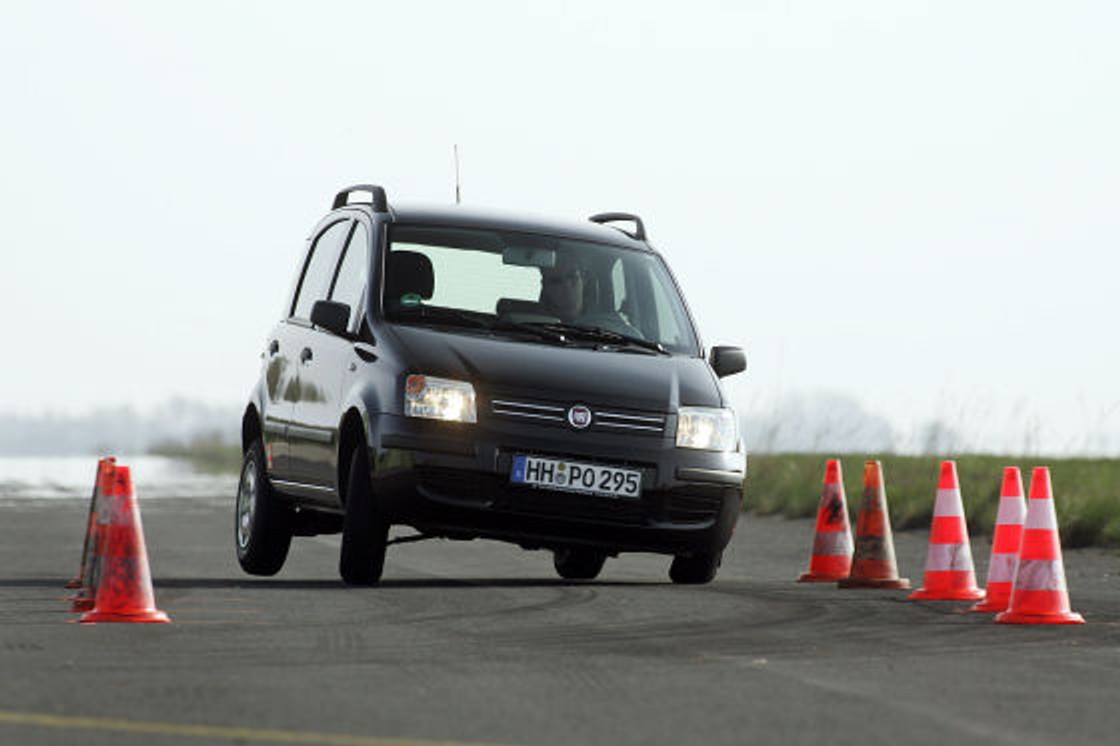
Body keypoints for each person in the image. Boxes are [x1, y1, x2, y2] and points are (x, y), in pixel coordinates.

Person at [538, 255, 584, 321]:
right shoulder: (534, 321)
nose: (567, 287)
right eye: (556, 281)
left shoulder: (601, 324)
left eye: (572, 276)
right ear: (546, 287)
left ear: (584, 280)